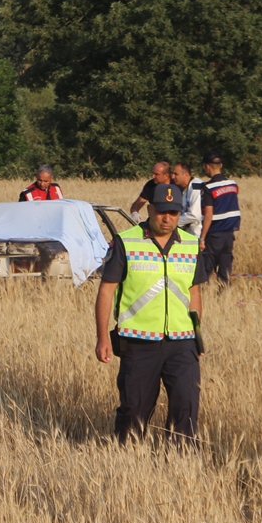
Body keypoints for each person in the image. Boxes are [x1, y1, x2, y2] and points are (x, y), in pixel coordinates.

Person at [94, 183, 205, 445]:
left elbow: (195, 294)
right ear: (150, 209)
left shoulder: (191, 245)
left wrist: (197, 336)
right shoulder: (125, 242)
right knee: (134, 410)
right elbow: (106, 291)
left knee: (186, 409)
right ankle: (128, 462)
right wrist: (102, 338)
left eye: (174, 213)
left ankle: (181, 465)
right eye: (162, 212)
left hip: (182, 341)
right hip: (138, 341)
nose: (168, 218)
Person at [199, 151, 240, 287]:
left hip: (214, 234)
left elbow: (209, 214)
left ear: (207, 166)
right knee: (225, 272)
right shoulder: (233, 184)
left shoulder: (208, 187)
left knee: (206, 270)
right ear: (220, 165)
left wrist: (202, 238)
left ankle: (204, 299)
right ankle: (223, 300)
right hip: (229, 235)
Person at [171, 161, 207, 238]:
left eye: (176, 174)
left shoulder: (196, 186)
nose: (172, 177)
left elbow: (194, 215)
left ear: (186, 175)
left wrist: (173, 222)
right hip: (191, 234)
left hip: (199, 235)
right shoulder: (184, 188)